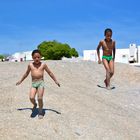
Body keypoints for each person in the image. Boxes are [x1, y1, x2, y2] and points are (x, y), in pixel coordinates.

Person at [16, 49, 60, 119]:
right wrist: (20, 81)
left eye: (38, 57)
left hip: (41, 83)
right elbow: (26, 74)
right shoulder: (30, 65)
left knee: (40, 98)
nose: (37, 59)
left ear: (41, 57)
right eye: (35, 57)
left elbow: (50, 73)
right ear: (32, 57)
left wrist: (55, 81)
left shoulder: (43, 65)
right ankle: (35, 104)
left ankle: (40, 112)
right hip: (34, 83)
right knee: (31, 97)